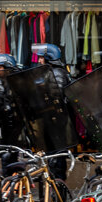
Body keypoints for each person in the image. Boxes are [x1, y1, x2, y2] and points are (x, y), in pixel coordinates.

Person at [31, 43, 70, 179]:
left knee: (57, 153)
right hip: (49, 118)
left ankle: (59, 186)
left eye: (42, 58)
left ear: (49, 58)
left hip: (56, 119)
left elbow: (56, 95)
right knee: (51, 152)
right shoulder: (47, 72)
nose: (40, 60)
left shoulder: (57, 73)